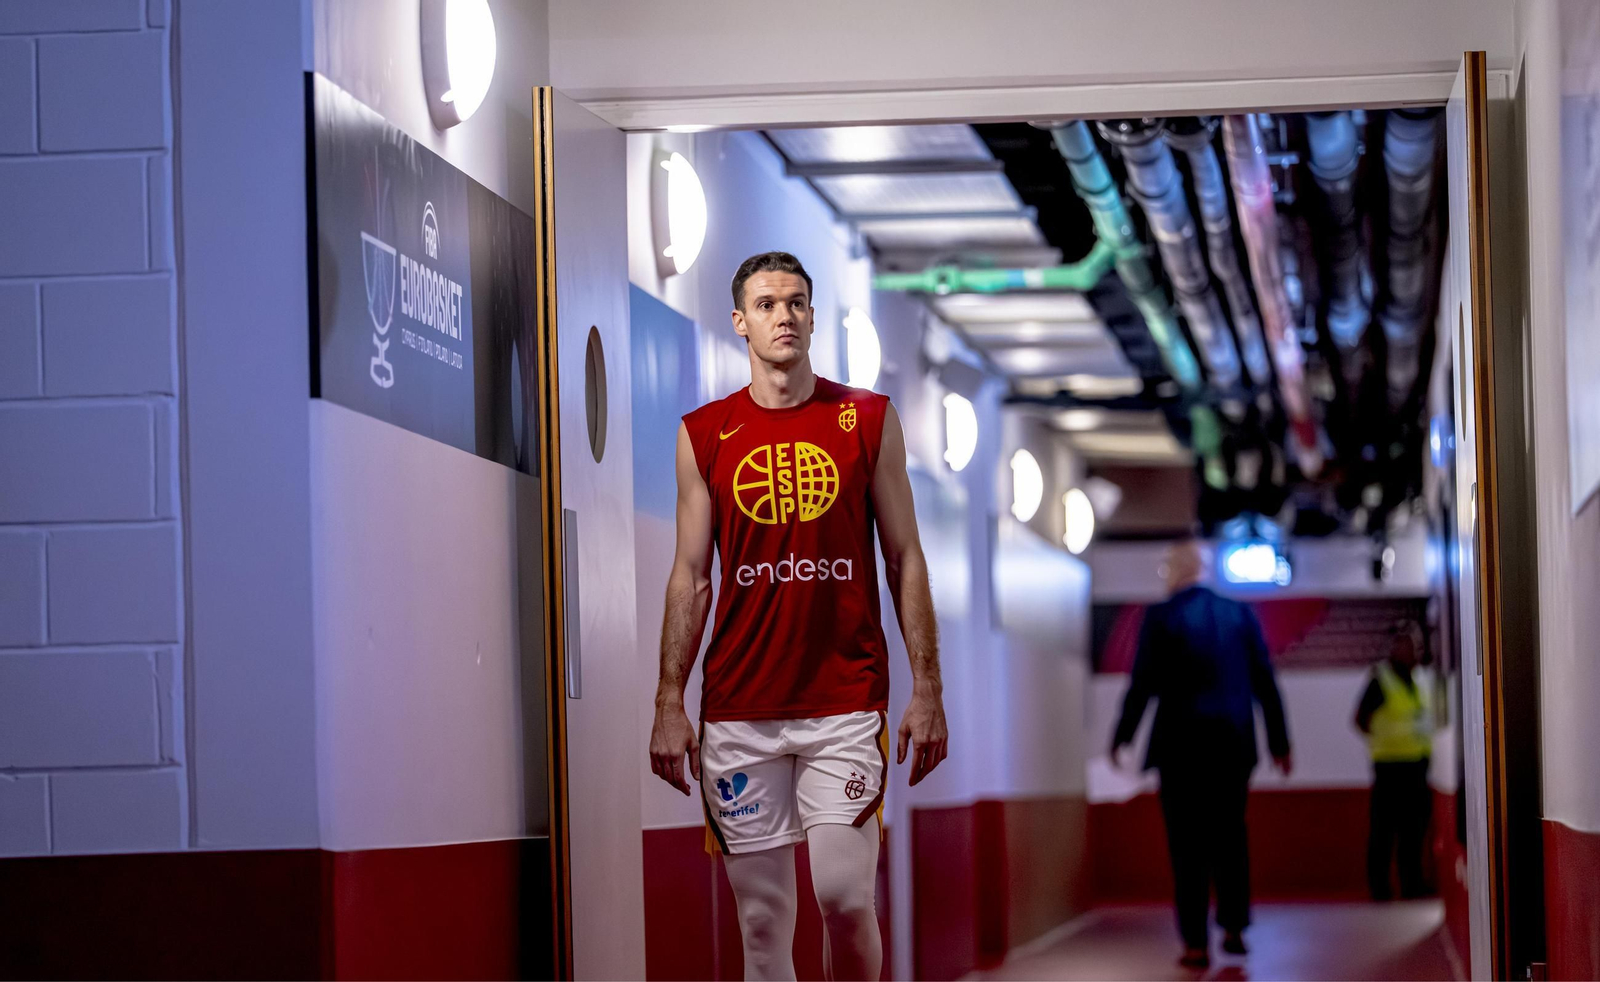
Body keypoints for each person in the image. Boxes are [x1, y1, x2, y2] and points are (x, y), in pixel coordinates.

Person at [648, 251, 948, 982]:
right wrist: (668, 703)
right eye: (767, 304)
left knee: (844, 899)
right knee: (761, 924)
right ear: (740, 322)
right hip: (740, 710)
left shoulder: (867, 419)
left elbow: (904, 557)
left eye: (796, 302)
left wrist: (928, 690)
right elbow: (691, 578)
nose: (783, 315)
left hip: (844, 700)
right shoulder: (706, 433)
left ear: (813, 316)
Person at [1110, 539, 1292, 970]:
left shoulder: (1161, 616)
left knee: (1186, 846)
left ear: (1174, 571)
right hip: (1233, 745)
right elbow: (1265, 682)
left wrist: (1122, 735)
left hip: (1180, 749)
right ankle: (1234, 928)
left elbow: (1143, 683)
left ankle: (1195, 944)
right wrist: (1280, 743)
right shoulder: (1241, 614)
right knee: (1231, 837)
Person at [1353, 620, 1435, 901]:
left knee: (1414, 833)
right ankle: (1380, 889)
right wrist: (1384, 741)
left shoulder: (1418, 680)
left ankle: (1412, 886)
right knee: (1384, 833)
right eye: (1405, 644)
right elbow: (1360, 720)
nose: (1411, 649)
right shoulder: (1381, 679)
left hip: (1417, 767)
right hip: (1389, 769)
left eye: (1414, 644)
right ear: (1394, 648)